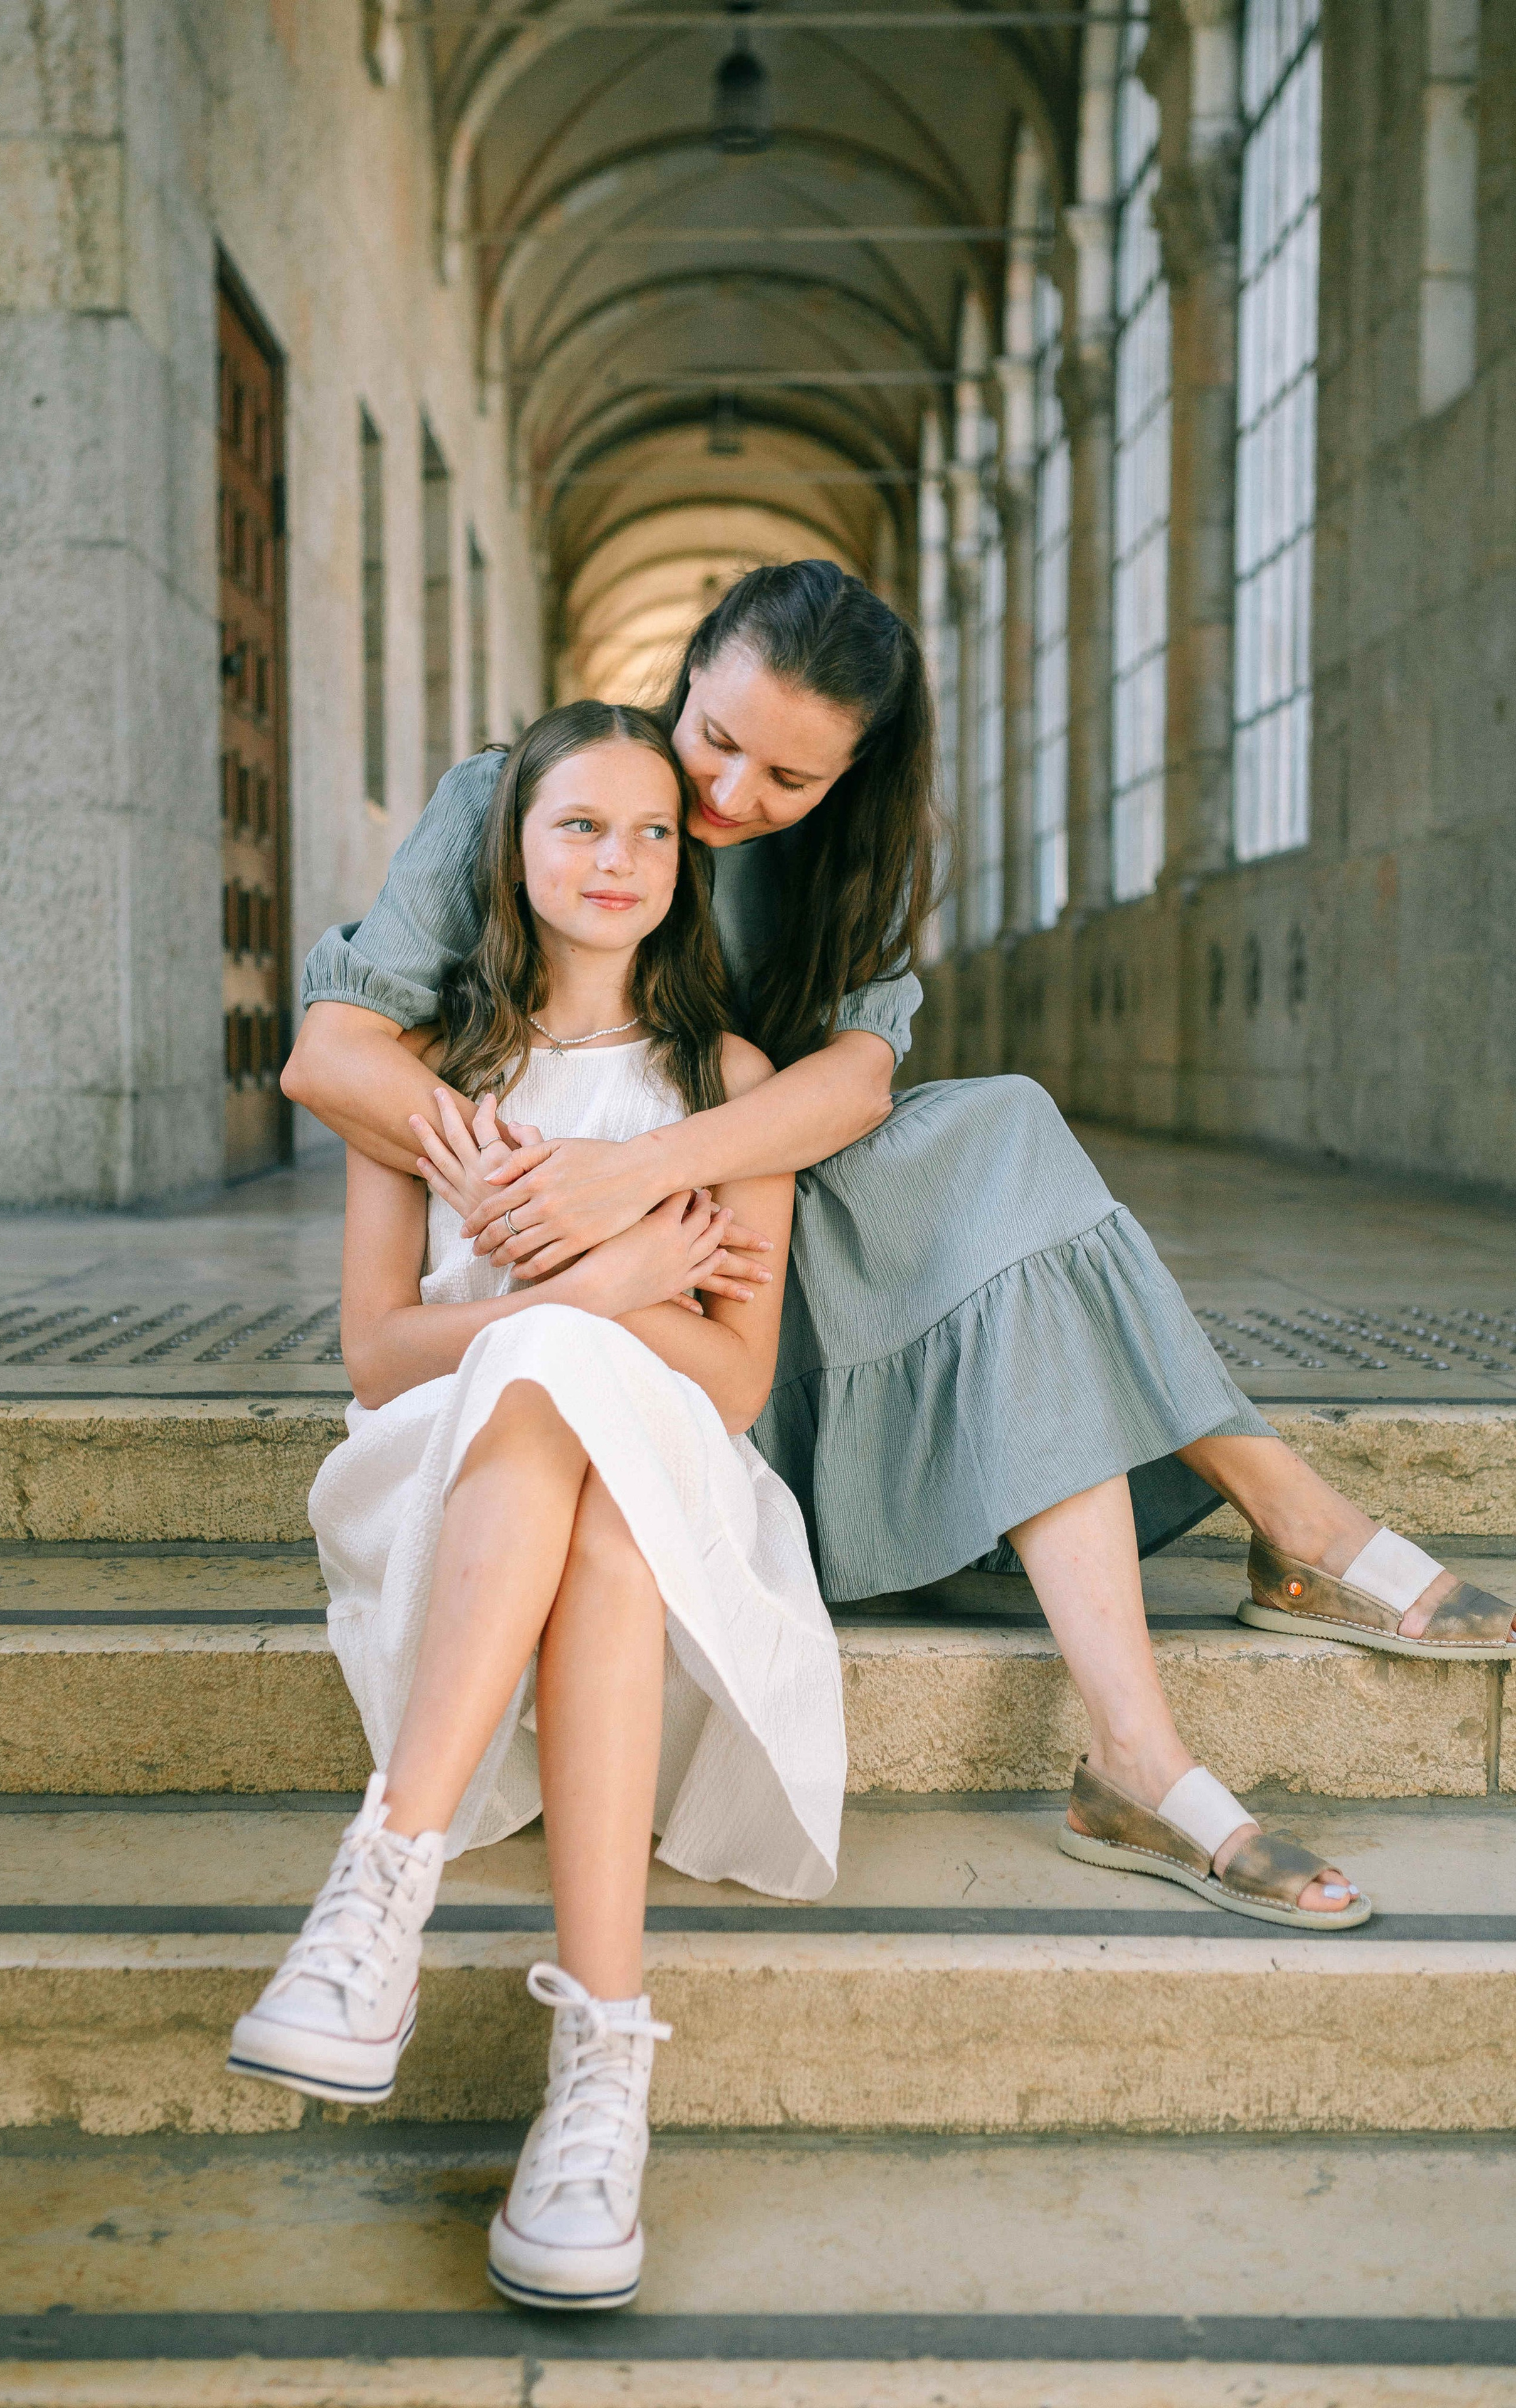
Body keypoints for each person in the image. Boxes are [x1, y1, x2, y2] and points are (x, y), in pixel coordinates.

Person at [286, 562, 1516, 1926]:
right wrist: (548, 1196)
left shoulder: (849, 863)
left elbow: (856, 1087)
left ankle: (1142, 1747)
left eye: (789, 780)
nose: (732, 799)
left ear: (851, 775)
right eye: (719, 741)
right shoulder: (539, 792)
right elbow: (331, 1056)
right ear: (686, 669)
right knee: (1013, 1191)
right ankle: (1276, 1543)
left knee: (1001, 1149)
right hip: (631, 1286)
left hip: (740, 1239)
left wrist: (633, 1174)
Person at [229, 702, 845, 2311]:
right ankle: (594, 2053)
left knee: (615, 1488)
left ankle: (392, 1889)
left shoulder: (727, 1082)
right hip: (440, 1475)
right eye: (579, 825)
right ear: (509, 846)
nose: (619, 860)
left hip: (670, 1495)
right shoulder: (421, 1075)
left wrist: (595, 1288)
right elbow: (379, 1356)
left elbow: (723, 1380)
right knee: (558, 1413)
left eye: (653, 832)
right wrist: (619, 1279)